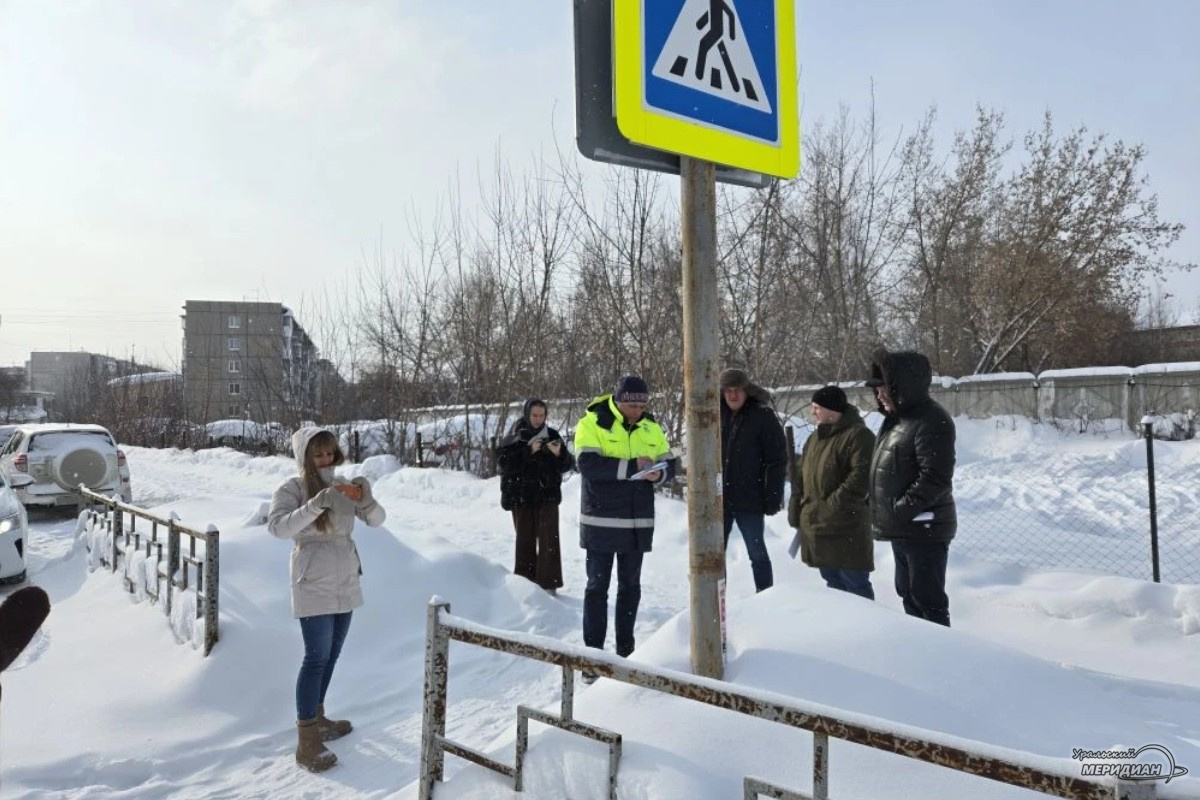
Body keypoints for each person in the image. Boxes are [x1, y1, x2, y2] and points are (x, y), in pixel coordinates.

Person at [268, 427, 387, 772]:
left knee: (332, 655)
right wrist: (317, 502)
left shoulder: (345, 484)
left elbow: (378, 521)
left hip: (345, 578)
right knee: (315, 657)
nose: (325, 460)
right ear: (305, 457)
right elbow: (278, 527)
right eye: (317, 454)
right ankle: (306, 740)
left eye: (329, 453)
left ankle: (318, 717)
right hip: (312, 579)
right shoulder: (292, 488)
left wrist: (365, 499)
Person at [574, 375, 675, 681]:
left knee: (630, 589)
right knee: (597, 588)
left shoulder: (651, 426)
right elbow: (588, 466)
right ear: (617, 401)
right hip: (601, 522)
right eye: (631, 404)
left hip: (637, 522)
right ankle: (593, 659)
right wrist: (632, 468)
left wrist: (660, 475)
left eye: (642, 404)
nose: (636, 410)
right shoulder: (592, 423)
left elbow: (669, 463)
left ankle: (626, 655)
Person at [865, 348, 957, 626]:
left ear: (902, 386)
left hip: (924, 528)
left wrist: (900, 509)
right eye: (877, 389)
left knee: (927, 600)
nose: (879, 395)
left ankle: (942, 660)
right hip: (904, 528)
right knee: (907, 594)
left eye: (884, 388)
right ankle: (921, 658)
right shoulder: (895, 420)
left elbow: (936, 478)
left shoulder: (932, 421)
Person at [788, 385, 876, 599]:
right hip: (819, 528)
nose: (813, 412)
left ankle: (868, 631)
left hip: (847, 528)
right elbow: (801, 477)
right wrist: (797, 507)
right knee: (833, 586)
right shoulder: (814, 439)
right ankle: (841, 631)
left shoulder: (858, 436)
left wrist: (832, 506)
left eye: (817, 407)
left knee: (855, 586)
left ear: (831, 409)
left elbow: (861, 477)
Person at [495, 398, 575, 594]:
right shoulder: (514, 436)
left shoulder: (552, 435)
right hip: (521, 496)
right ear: (527, 414)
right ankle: (524, 585)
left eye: (542, 415)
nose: (538, 419)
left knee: (549, 541)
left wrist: (559, 455)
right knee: (525, 540)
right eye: (535, 415)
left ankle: (549, 584)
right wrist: (528, 451)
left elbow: (568, 465)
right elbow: (503, 465)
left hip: (547, 495)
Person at [718, 368, 787, 592]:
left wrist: (772, 496)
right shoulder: (714, 415)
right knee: (715, 556)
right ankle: (716, 602)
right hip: (719, 499)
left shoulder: (762, 416)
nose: (733, 395)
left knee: (757, 552)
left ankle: (765, 596)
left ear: (746, 391)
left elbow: (777, 459)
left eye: (737, 390)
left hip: (750, 498)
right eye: (728, 391)